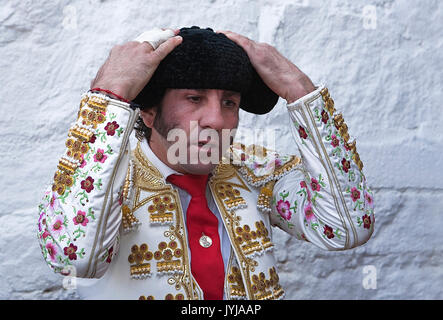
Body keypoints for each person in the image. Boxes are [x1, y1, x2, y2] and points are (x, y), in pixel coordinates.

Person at [37, 26, 375, 300]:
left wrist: (300, 92)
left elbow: (346, 229)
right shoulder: (107, 176)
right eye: (194, 98)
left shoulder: (256, 171)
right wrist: (109, 93)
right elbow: (73, 258)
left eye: (229, 102)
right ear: (149, 112)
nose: (217, 119)